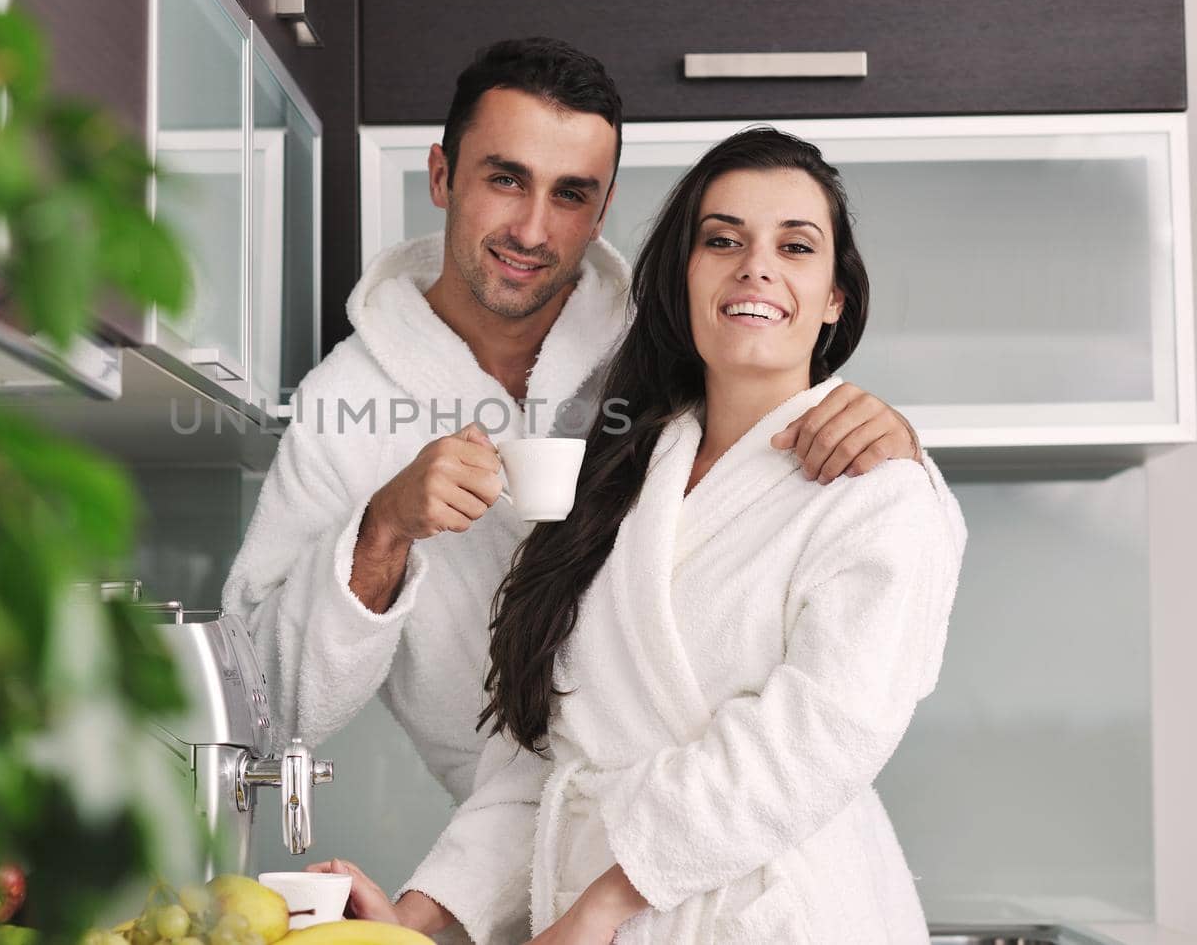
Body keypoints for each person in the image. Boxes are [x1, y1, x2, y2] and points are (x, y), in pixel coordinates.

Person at [221, 37, 945, 839]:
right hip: (501, 844)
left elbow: (815, 491)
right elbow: (264, 703)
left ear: (602, 211)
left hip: (701, 817)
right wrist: (383, 530)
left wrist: (897, 439)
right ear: (440, 175)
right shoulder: (345, 402)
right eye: (505, 179)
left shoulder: (665, 343)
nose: (532, 230)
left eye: (571, 194)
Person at [331, 128, 966, 944]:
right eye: (722, 239)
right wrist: (414, 923)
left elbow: (819, 738)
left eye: (796, 246)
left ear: (835, 294)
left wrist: (601, 904)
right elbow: (557, 761)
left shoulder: (877, 490)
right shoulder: (618, 478)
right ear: (683, 277)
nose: (756, 266)